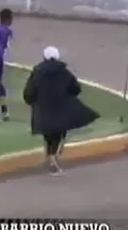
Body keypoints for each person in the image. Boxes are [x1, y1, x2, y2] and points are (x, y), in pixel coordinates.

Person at [23, 46, 100, 175]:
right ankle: (53, 158)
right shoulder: (64, 72)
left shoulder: (37, 72)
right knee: (59, 132)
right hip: (61, 107)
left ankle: (49, 156)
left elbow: (29, 92)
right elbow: (76, 88)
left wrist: (32, 101)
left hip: (43, 108)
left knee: (48, 133)